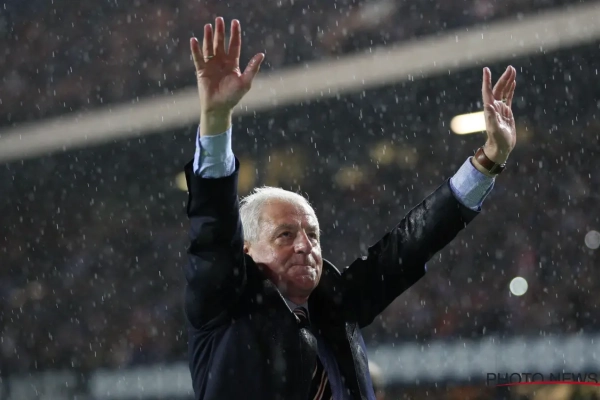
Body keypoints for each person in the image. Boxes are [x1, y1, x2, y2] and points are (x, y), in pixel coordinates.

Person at [182, 17, 517, 400]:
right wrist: (216, 120)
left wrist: (489, 161)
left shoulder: (335, 305)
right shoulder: (223, 304)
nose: (305, 246)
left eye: (312, 235)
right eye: (285, 235)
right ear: (245, 249)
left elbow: (410, 245)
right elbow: (212, 227)